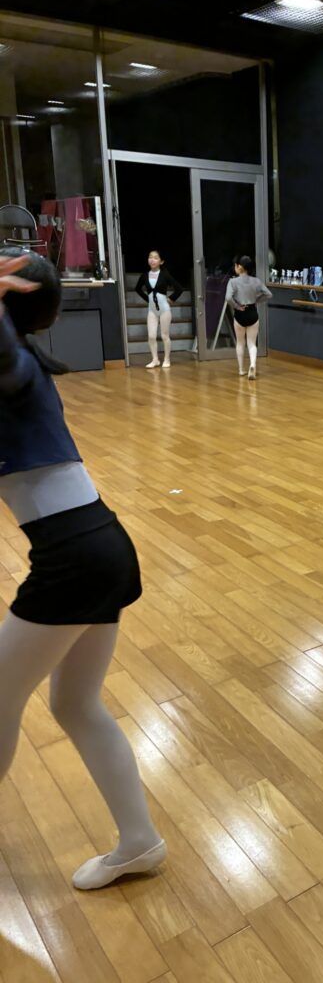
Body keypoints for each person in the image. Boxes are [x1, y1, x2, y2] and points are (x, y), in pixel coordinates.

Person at [0, 248, 165, 890]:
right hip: (98, 547)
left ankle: (139, 840)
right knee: (73, 703)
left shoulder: (16, 368)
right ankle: (140, 842)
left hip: (76, 555)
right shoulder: (20, 369)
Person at [135, 250, 183, 369]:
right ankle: (155, 359)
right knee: (151, 336)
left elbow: (179, 288)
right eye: (150, 257)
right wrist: (148, 299)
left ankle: (167, 359)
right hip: (152, 310)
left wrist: (171, 299)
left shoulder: (165, 274)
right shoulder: (145, 275)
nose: (152, 260)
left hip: (164, 309)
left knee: (164, 335)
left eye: (156, 258)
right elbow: (138, 289)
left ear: (161, 261)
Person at [226, 255, 272, 379]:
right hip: (252, 312)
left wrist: (236, 306)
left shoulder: (233, 282)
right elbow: (268, 294)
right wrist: (257, 300)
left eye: (235, 265)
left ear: (239, 267)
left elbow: (228, 298)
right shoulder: (256, 281)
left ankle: (241, 369)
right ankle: (252, 364)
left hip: (240, 313)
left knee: (240, 343)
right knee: (252, 343)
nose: (235, 267)